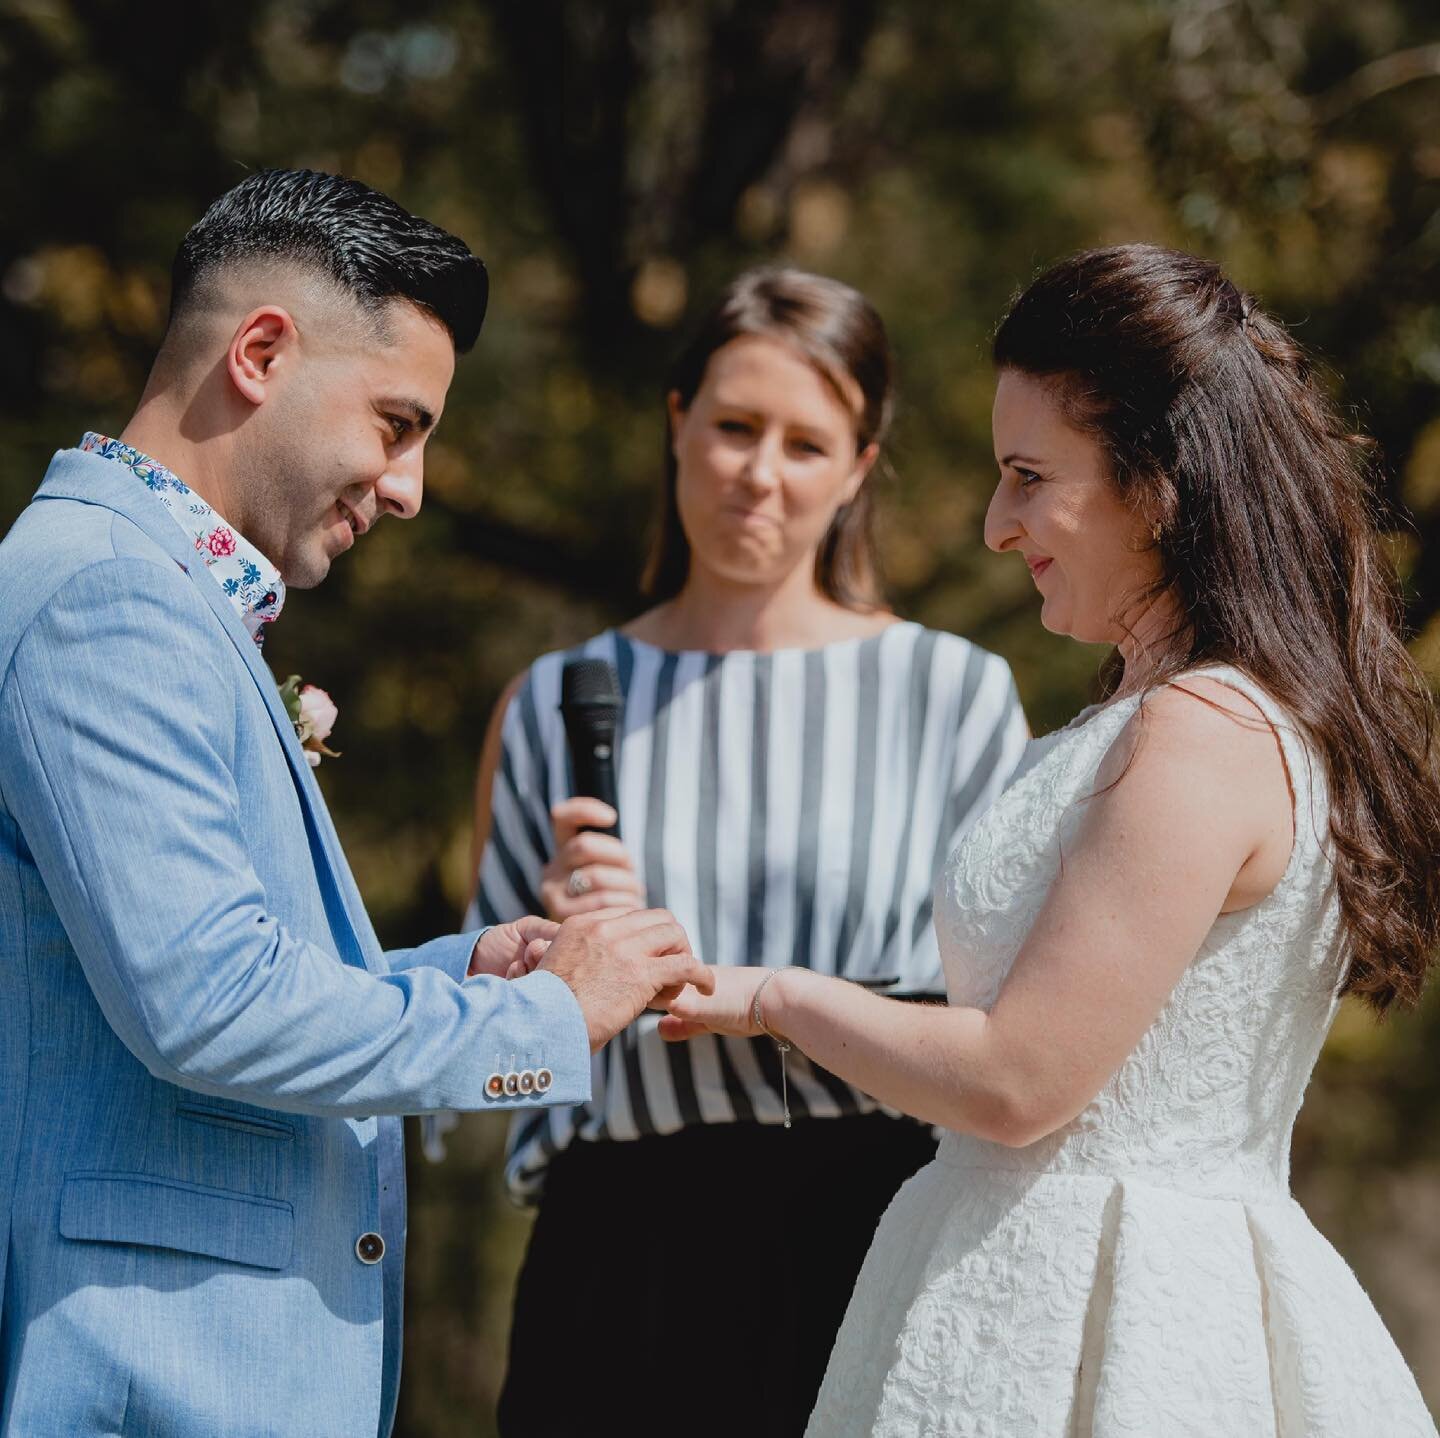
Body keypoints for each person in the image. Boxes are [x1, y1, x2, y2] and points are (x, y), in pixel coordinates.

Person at [658, 245, 1440, 1435]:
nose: (994, 524)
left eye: (1029, 476)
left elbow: (1019, 1081)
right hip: (1027, 1283)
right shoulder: (1161, 713)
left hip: (1121, 1319)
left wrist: (772, 995)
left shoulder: (1202, 732)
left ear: (1160, 482)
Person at [0, 168, 710, 1438]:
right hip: (153, 1376)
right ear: (262, 353)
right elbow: (206, 1006)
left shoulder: (157, 597)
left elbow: (193, 971)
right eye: (397, 423)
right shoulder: (105, 596)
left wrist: (471, 971)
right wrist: (542, 1022)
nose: (409, 488)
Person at [468, 266, 1029, 1436]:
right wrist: (550, 974)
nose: (759, 474)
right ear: (678, 421)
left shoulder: (951, 694)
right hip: (616, 1261)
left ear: (861, 466)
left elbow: (1007, 1020)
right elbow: (490, 1069)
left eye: (806, 444)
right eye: (732, 426)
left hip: (868, 1230)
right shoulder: (554, 700)